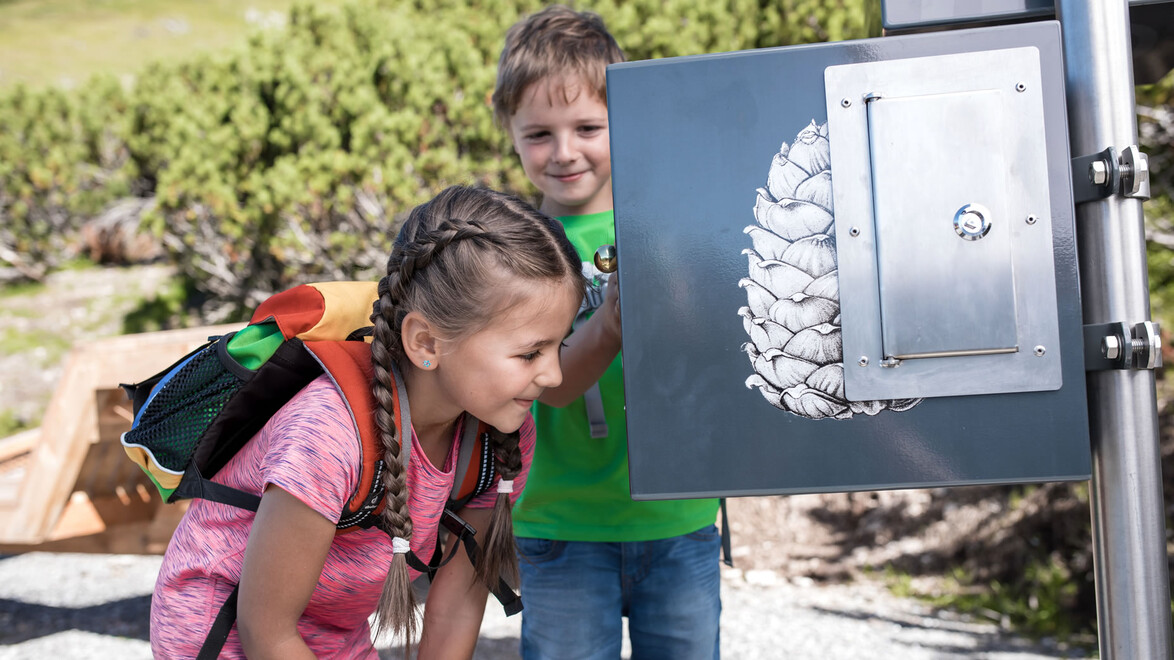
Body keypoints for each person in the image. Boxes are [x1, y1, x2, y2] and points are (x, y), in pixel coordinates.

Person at [149, 185, 586, 659]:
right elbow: (267, 630)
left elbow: (456, 608)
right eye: (529, 353)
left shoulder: (500, 437)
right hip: (224, 633)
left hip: (337, 630)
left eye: (558, 346)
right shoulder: (329, 432)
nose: (554, 375)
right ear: (426, 343)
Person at [493, 6, 723, 659]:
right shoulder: (510, 251)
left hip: (679, 522)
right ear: (506, 128)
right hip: (561, 530)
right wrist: (612, 325)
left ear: (627, 122)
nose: (564, 152)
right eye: (540, 133)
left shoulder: (676, 234)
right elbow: (548, 388)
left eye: (588, 127)